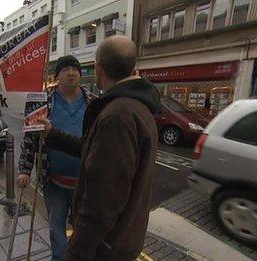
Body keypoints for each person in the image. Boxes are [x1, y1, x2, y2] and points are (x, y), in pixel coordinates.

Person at [38, 36, 161, 260]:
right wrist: (53, 135)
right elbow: (89, 148)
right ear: (134, 68)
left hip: (107, 246)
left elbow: (102, 202)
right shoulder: (137, 107)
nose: (71, 74)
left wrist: (75, 253)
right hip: (123, 237)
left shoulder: (117, 116)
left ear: (97, 69)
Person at [17, 55, 94, 261]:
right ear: (56, 75)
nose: (71, 73)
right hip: (54, 184)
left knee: (84, 233)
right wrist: (24, 169)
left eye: (75, 69)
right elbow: (30, 137)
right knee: (57, 232)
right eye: (65, 69)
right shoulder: (43, 102)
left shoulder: (94, 103)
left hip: (85, 185)